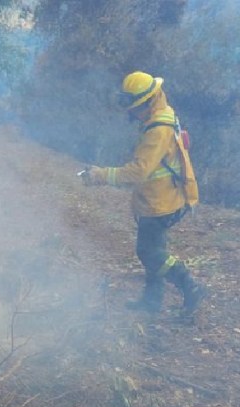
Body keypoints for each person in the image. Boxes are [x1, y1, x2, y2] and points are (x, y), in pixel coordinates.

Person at [82, 71, 207, 319]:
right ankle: (152, 301)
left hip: (162, 202)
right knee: (154, 248)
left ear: (150, 101)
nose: (130, 113)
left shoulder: (157, 130)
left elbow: (139, 171)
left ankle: (189, 284)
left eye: (135, 108)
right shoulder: (162, 114)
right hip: (161, 197)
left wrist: (101, 175)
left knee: (149, 252)